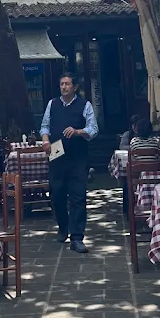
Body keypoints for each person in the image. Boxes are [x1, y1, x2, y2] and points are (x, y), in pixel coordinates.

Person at [40, 74, 98, 254]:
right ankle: (63, 226)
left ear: (75, 87)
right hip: (56, 155)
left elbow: (93, 130)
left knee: (78, 197)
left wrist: (78, 131)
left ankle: (77, 237)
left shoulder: (85, 105)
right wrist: (45, 141)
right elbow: (44, 126)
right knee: (57, 195)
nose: (64, 87)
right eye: (61, 84)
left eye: (67, 84)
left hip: (78, 158)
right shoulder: (52, 104)